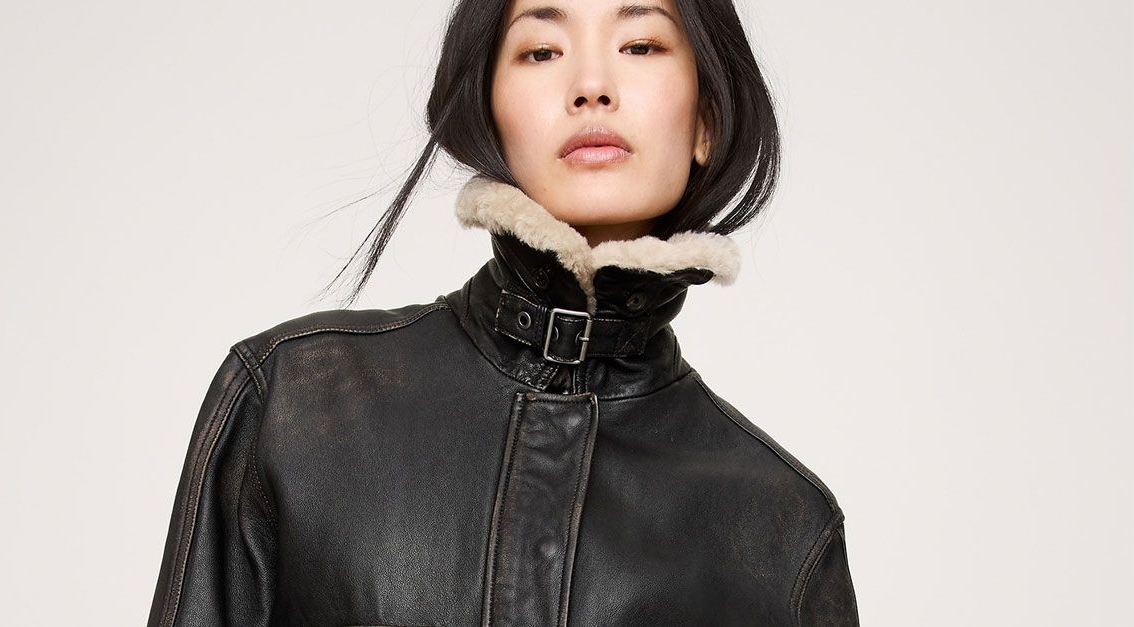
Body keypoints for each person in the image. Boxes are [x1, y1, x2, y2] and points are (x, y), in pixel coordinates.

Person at [147, 0, 860, 625]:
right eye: (542, 51)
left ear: (706, 120)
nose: (591, 86)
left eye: (640, 44)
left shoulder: (783, 528)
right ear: (488, 111)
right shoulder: (294, 402)